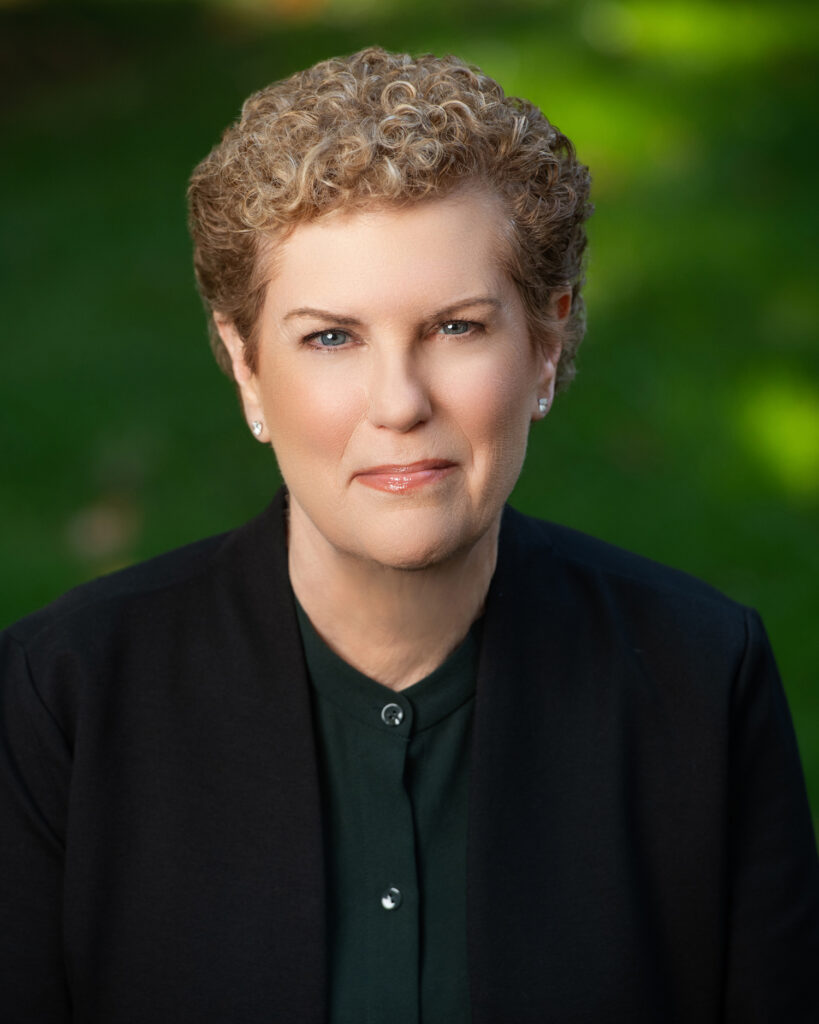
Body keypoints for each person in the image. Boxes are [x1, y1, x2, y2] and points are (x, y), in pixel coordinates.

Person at [1, 46, 817, 1024]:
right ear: (247, 367)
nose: (399, 402)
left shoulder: (701, 676)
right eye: (331, 337)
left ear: (549, 342)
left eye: (457, 327)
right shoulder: (64, 697)